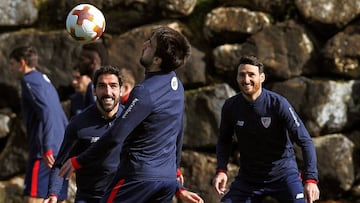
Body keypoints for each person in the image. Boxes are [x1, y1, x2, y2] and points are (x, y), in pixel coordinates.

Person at [58, 26, 203, 203]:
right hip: (166, 181)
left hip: (137, 179)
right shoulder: (177, 85)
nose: (143, 45)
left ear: (157, 59)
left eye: (149, 44)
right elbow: (178, 132)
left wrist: (79, 161)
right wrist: (175, 175)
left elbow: (115, 136)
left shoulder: (144, 92)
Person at [212, 55, 320, 203]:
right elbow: (224, 141)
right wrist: (221, 170)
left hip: (283, 175)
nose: (246, 80)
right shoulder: (231, 107)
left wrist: (311, 179)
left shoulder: (278, 104)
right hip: (248, 179)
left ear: (262, 77)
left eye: (251, 75)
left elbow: (305, 141)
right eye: (242, 75)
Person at [44, 65, 125, 203]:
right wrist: (53, 193)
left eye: (113, 86)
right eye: (102, 86)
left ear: (121, 90)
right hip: (88, 197)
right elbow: (60, 164)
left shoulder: (130, 118)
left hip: (123, 196)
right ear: (93, 90)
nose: (108, 92)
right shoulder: (79, 123)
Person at [8, 45, 68, 203]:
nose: (11, 69)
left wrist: (47, 147)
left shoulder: (29, 81)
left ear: (22, 63)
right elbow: (59, 113)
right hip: (61, 148)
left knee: (33, 198)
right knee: (57, 198)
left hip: (44, 154)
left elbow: (47, 111)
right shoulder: (43, 79)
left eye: (12, 64)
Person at [77, 42, 109, 107]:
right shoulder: (91, 87)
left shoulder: (105, 88)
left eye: (82, 60)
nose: (78, 64)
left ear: (93, 63)